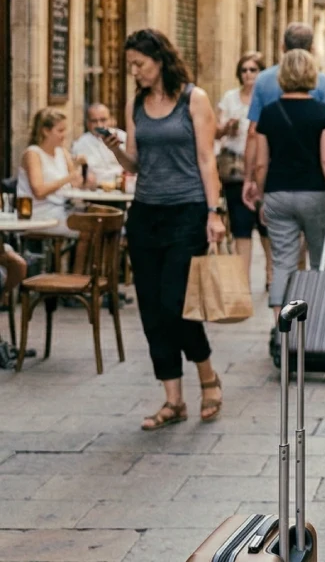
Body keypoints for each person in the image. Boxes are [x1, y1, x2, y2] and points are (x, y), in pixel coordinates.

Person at [100, 29, 227, 431]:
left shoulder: (194, 99)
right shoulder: (135, 104)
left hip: (187, 212)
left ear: (159, 60)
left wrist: (213, 212)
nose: (134, 71)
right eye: (130, 65)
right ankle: (173, 399)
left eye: (139, 63)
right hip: (145, 214)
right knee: (152, 310)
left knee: (175, 302)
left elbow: (206, 159)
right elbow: (135, 164)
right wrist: (116, 149)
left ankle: (208, 375)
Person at [253, 50, 325, 319]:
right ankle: (319, 324)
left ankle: (281, 329)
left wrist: (261, 198)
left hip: (278, 194)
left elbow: (261, 164)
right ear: (312, 75)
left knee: (282, 263)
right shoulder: (323, 112)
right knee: (321, 262)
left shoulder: (268, 113)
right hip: (317, 195)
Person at [242, 22, 325, 214]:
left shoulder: (263, 80)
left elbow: (253, 133)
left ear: (282, 47)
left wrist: (249, 179)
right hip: (314, 179)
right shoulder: (323, 82)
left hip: (275, 180)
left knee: (277, 226)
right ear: (312, 49)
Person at [217, 52, 272, 290]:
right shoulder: (230, 98)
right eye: (244, 70)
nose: (248, 74)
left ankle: (271, 275)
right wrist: (226, 127)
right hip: (235, 169)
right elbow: (216, 131)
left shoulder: (269, 98)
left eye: (253, 69)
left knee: (266, 226)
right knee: (240, 226)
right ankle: (243, 281)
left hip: (264, 168)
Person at [18, 109, 84, 233]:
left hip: (63, 209)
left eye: (65, 130)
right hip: (40, 214)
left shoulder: (62, 151)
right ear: (46, 131)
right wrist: (67, 178)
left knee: (102, 218)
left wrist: (80, 166)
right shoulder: (33, 154)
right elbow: (39, 191)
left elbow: (76, 183)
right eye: (60, 131)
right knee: (88, 229)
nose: (64, 135)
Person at [71, 103, 126, 188]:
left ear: (111, 120)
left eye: (103, 120)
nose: (99, 125)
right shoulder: (80, 144)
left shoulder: (123, 137)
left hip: (122, 187)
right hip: (96, 190)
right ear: (88, 123)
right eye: (94, 121)